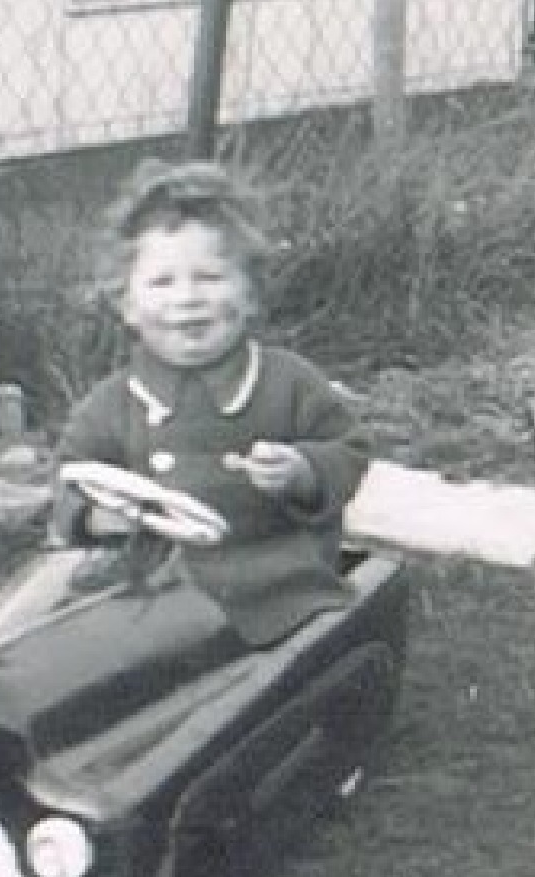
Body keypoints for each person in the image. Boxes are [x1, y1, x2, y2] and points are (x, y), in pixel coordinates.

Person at [51, 159, 369, 649]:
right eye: (162, 283)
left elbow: (346, 449)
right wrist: (93, 516)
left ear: (248, 295)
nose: (188, 299)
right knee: (82, 633)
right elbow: (73, 473)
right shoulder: (114, 402)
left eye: (210, 278)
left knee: (288, 633)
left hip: (270, 571)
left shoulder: (286, 381)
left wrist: (302, 471)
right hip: (155, 574)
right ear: (127, 306)